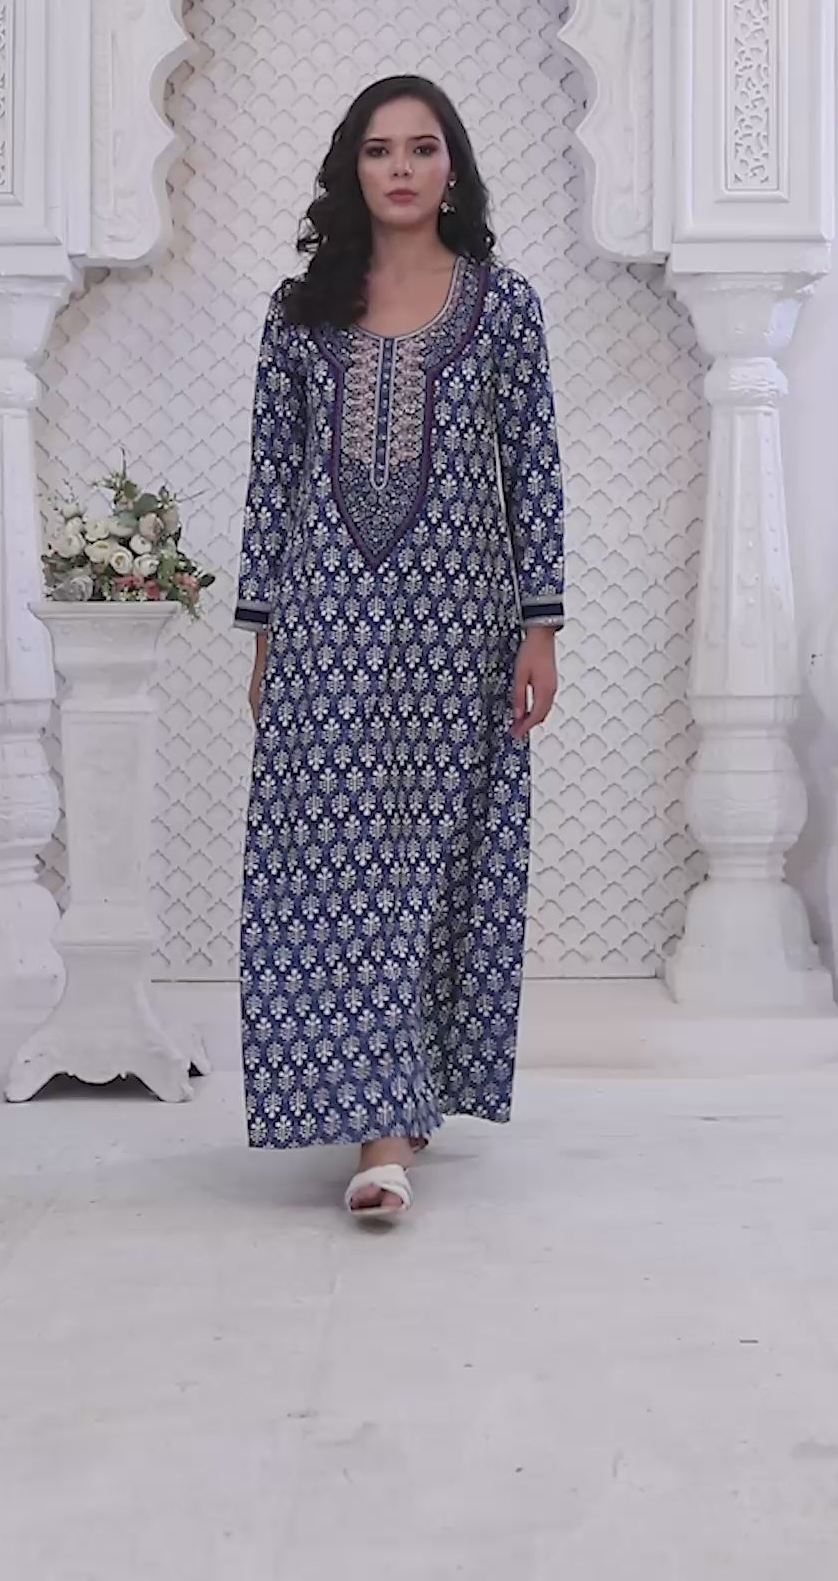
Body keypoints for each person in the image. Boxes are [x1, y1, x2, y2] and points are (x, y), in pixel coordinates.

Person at [234, 74, 565, 1220]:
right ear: (353, 170)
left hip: (458, 632)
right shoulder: (301, 314)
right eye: (381, 151)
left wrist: (540, 627)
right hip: (326, 627)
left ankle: (392, 1123)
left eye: (423, 149)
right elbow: (273, 478)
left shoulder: (504, 307)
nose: (403, 170)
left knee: (435, 859)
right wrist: (264, 633)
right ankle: (382, 1113)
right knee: (335, 862)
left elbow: (534, 467)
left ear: (452, 169)